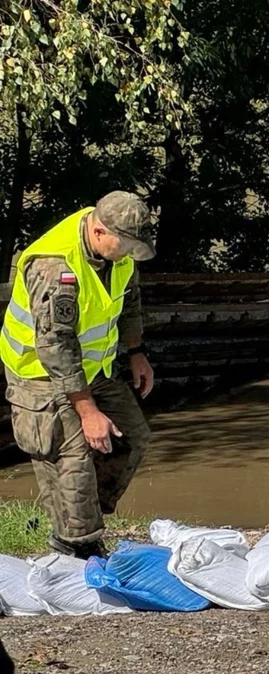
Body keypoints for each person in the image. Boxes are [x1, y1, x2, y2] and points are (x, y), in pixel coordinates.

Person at [0, 192, 157, 560]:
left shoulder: (117, 250)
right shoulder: (55, 267)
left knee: (132, 436)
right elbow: (55, 346)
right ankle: (76, 545)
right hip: (39, 375)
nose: (130, 255)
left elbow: (129, 299)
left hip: (92, 368)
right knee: (73, 457)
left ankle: (83, 518)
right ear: (100, 232)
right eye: (127, 246)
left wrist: (136, 353)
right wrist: (88, 413)